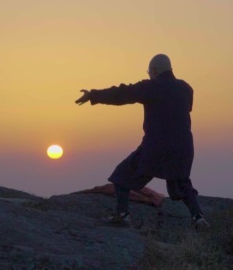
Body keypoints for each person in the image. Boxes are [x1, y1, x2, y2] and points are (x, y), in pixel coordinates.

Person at [75, 54, 209, 228]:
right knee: (181, 182)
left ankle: (122, 215)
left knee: (121, 176)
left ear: (153, 71)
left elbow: (122, 94)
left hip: (156, 146)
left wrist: (93, 95)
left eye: (149, 72)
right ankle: (198, 217)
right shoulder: (186, 88)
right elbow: (186, 107)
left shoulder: (151, 87)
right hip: (183, 147)